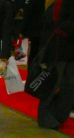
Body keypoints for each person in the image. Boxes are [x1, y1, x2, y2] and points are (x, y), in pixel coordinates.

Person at [37, 0, 74, 129]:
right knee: (57, 86)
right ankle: (50, 118)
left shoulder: (56, 6)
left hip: (60, 53)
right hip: (59, 53)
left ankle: (54, 117)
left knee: (64, 86)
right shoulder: (59, 6)